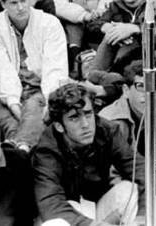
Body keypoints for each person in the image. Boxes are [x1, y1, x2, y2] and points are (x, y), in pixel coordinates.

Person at [31, 82, 144, 226]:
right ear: (59, 126)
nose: (85, 124)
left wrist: (143, 215)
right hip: (68, 217)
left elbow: (140, 170)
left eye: (88, 114)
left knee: (129, 189)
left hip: (98, 209)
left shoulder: (106, 130)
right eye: (74, 118)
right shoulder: (46, 150)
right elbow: (50, 205)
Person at [0, 0, 69, 148]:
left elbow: (55, 68)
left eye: (23, 0)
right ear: (3, 4)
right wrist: (14, 103)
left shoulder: (50, 23)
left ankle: (18, 150)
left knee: (33, 108)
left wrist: (49, 100)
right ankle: (22, 148)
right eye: (13, 3)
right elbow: (0, 70)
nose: (20, 7)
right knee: (10, 122)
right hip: (3, 94)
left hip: (41, 90)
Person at [99, 60, 156, 183]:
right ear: (126, 90)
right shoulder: (108, 121)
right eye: (141, 87)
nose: (148, 94)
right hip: (118, 188)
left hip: (154, 184)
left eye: (155, 88)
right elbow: (106, 174)